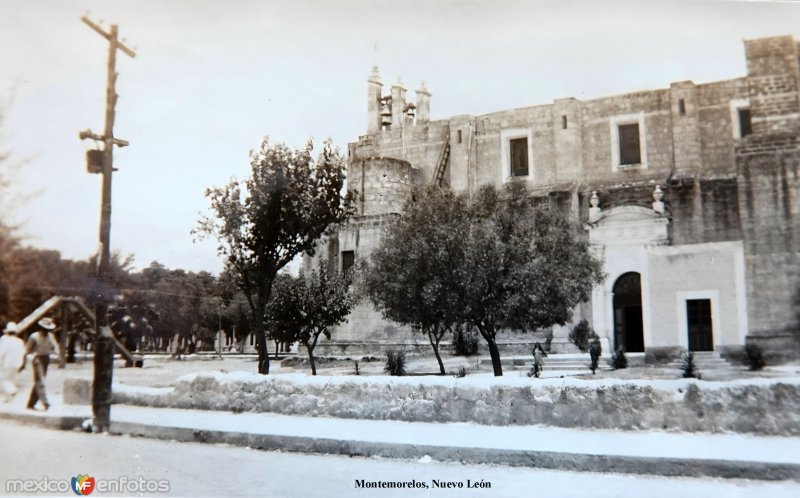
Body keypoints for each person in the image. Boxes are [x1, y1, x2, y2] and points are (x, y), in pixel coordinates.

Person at [19, 317, 60, 410]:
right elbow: (26, 351)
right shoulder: (34, 336)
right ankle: (45, 402)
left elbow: (55, 347)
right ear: (41, 328)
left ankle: (31, 403)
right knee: (40, 381)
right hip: (37, 359)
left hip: (46, 359)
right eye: (45, 329)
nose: (46, 331)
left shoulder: (51, 336)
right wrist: (23, 363)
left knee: (39, 381)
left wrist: (57, 356)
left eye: (48, 329)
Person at [0, 322, 26, 402]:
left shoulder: (5, 340)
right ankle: (8, 399)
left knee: (3, 380)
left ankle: (12, 391)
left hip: (7, 363)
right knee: (11, 380)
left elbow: (1, 353)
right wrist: (23, 365)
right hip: (17, 364)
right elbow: (23, 353)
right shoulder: (20, 341)